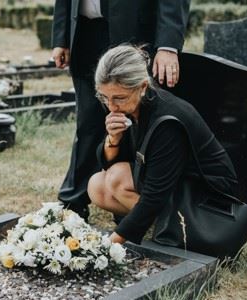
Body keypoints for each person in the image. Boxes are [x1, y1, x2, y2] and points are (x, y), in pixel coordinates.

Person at [51, 0, 191, 220]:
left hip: (134, 32)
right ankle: (73, 201)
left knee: (132, 118)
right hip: (84, 32)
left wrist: (167, 45)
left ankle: (126, 202)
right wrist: (61, 36)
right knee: (87, 122)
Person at [87, 45, 238, 244]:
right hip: (171, 182)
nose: (112, 106)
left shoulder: (167, 121)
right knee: (97, 185)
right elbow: (108, 162)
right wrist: (113, 140)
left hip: (207, 196)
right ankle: (161, 223)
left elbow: (154, 193)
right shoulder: (128, 105)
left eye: (119, 98)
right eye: (104, 97)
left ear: (142, 87)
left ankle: (177, 226)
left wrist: (108, 245)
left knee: (117, 178)